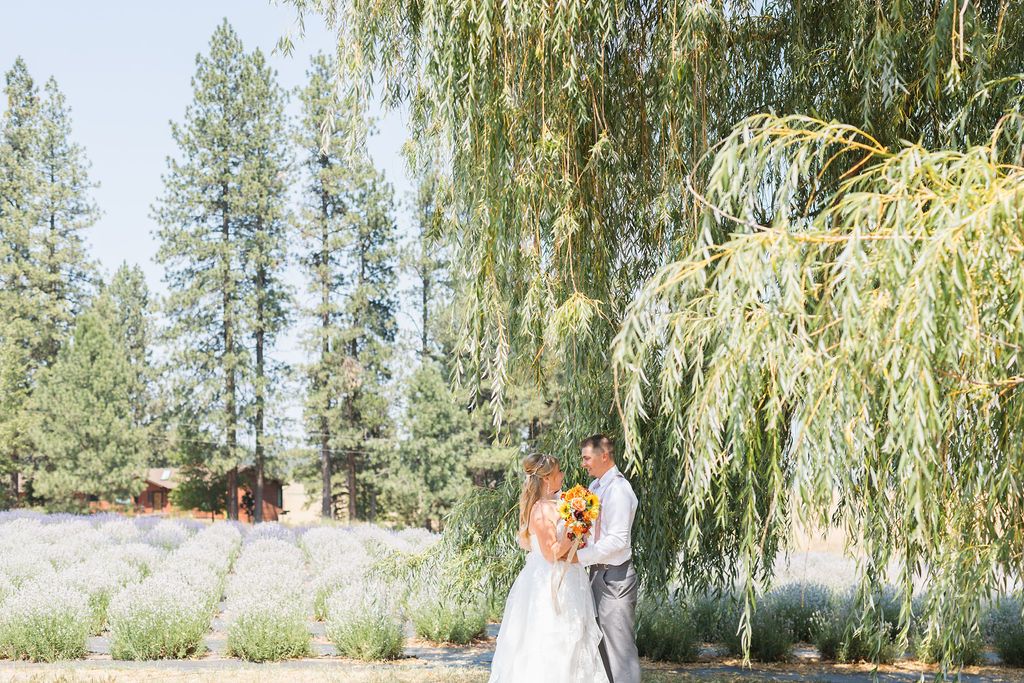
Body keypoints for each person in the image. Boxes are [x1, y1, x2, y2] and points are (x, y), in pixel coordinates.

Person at [488, 453, 610, 683]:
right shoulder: (542, 510)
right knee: (552, 639)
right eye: (559, 472)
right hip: (551, 581)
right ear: (547, 480)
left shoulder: (556, 503)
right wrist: (576, 529)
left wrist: (580, 526)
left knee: (573, 639)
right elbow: (551, 553)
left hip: (568, 577)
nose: (563, 475)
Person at [576, 434, 641, 683]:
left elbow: (617, 541)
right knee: (600, 647)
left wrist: (577, 558)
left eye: (587, 458)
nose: (584, 463)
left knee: (619, 649)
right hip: (594, 575)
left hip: (615, 579)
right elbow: (593, 534)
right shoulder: (594, 488)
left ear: (604, 456)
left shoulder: (620, 490)